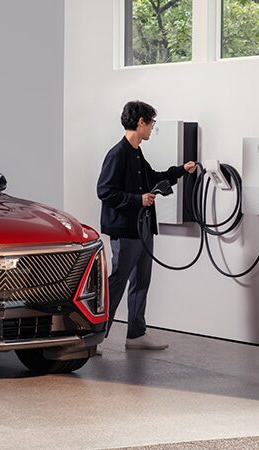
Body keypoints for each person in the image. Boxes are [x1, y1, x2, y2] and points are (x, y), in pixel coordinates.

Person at [96, 100, 197, 350]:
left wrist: (181, 170)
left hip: (142, 229)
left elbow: (152, 178)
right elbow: (105, 191)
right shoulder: (117, 154)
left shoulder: (137, 153)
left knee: (142, 280)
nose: (152, 128)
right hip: (126, 230)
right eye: (151, 123)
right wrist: (137, 199)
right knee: (118, 281)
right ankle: (96, 336)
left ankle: (136, 335)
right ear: (140, 122)